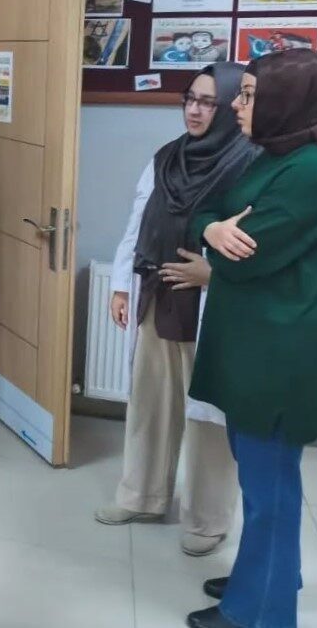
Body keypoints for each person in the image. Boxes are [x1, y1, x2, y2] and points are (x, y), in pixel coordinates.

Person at [186, 49, 317, 628]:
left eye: (249, 95)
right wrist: (213, 228)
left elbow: (244, 257)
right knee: (264, 479)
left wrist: (214, 236)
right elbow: (206, 211)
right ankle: (267, 573)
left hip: (281, 355)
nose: (236, 105)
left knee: (270, 490)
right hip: (261, 346)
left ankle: (260, 609)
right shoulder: (280, 153)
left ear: (287, 101)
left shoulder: (313, 171)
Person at [94, 64, 256, 557]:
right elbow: (138, 221)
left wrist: (213, 275)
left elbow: (256, 244)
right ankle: (142, 496)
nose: (194, 110)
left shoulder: (251, 163)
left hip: (210, 307)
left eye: (208, 101)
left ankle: (208, 520)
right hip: (156, 295)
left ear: (228, 106)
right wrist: (121, 286)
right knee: (150, 403)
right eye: (190, 98)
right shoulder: (167, 158)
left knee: (208, 420)